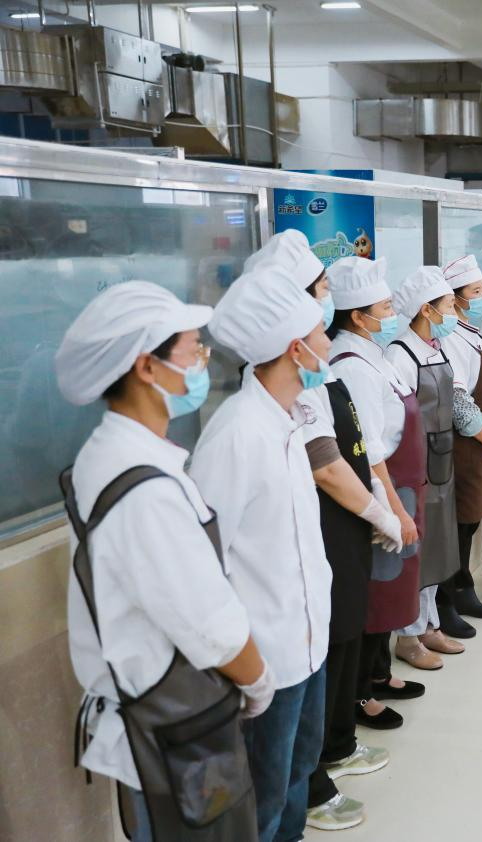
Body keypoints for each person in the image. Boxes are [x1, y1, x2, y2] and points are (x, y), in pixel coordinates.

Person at [56, 281, 270, 842]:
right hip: (176, 727)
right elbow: (209, 626)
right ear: (146, 367)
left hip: (166, 715)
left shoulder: (114, 453)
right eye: (193, 350)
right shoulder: (144, 489)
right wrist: (259, 682)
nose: (203, 362)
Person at [242, 232, 399, 833]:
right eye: (321, 291)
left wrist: (378, 506)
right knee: (321, 657)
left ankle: (326, 755)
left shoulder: (313, 375)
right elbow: (326, 465)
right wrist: (382, 512)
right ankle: (311, 782)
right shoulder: (256, 414)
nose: (327, 312)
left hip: (335, 534)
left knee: (342, 636)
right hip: (326, 532)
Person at [189, 265, 334, 841]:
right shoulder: (236, 434)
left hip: (309, 639)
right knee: (262, 796)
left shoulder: (290, 420)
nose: (330, 343)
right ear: (297, 349)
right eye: (321, 333)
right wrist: (240, 663)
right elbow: (205, 563)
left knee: (298, 772)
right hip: (266, 657)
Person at [325, 256, 429, 721]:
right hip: (384, 490)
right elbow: (367, 450)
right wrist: (392, 512)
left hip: (404, 484)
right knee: (377, 590)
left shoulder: (372, 352)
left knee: (394, 586)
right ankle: (361, 693)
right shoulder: (350, 365)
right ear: (357, 315)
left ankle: (380, 673)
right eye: (385, 307)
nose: (392, 313)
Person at [386, 266, 469, 653]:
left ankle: (430, 623)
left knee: (437, 545)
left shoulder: (436, 345)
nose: (454, 312)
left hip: (442, 460)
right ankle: (409, 634)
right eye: (449, 305)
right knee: (418, 549)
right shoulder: (400, 353)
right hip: (416, 464)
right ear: (426, 309)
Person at [440, 255, 482, 624]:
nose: (481, 298)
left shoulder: (472, 332)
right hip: (468, 444)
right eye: (474, 292)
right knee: (461, 522)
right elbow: (458, 401)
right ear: (455, 297)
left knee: (473, 517)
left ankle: (463, 588)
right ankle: (452, 594)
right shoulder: (450, 339)